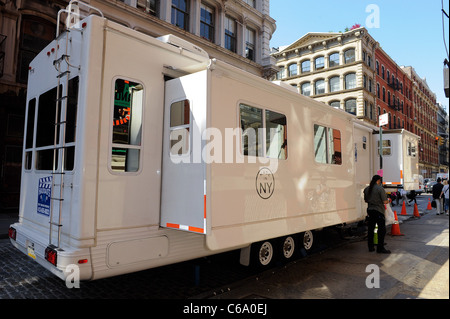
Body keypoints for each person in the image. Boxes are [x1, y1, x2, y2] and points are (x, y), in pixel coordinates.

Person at [364, 175, 390, 254]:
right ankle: (380, 248)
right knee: (381, 230)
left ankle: (371, 247)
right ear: (378, 180)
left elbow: (366, 200)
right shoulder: (380, 189)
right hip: (378, 211)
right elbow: (385, 201)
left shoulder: (367, 189)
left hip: (370, 211)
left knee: (371, 229)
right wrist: (388, 200)